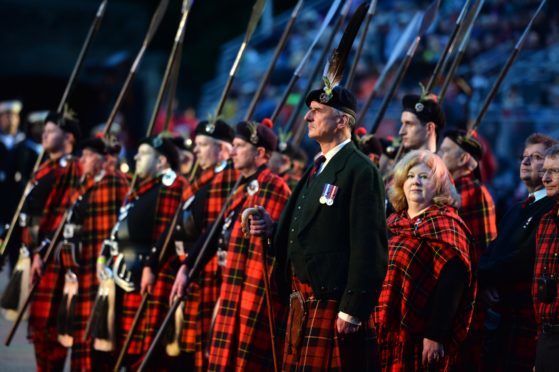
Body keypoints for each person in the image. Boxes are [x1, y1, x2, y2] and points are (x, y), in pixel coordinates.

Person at [250, 85, 388, 370]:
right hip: (303, 301)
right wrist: (272, 228)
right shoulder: (318, 167)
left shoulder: (360, 170)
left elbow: (369, 246)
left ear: (341, 121)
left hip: (333, 301)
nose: (307, 118)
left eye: (317, 111)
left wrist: (352, 308)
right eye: (309, 111)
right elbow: (308, 230)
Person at [172, 120, 291, 370]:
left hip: (254, 295)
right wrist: (187, 267)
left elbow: (276, 252)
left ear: (260, 153)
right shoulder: (241, 187)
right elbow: (215, 232)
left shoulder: (275, 186)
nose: (233, 151)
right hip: (230, 288)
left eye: (238, 146)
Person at [375, 149, 474, 371]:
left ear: (438, 186)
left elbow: (452, 287)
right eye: (410, 176)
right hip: (382, 330)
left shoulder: (448, 225)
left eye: (424, 177)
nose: (415, 182)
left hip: (419, 338)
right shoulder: (393, 223)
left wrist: (435, 335)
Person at [95, 135, 185, 370]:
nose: (135, 157)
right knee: (123, 348)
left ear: (161, 161)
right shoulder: (143, 188)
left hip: (145, 278)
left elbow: (165, 236)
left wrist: (151, 267)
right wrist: (102, 257)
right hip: (124, 274)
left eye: (143, 153)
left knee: (142, 354)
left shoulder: (170, 186)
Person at [152, 119, 235, 370]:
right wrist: (154, 262)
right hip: (190, 270)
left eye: (202, 145)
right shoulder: (201, 179)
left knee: (202, 354)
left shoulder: (226, 179)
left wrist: (190, 267)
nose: (196, 150)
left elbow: (212, 232)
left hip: (207, 274)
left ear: (222, 150)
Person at [478, 133, 558, 370]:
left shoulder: (550, 209)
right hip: (502, 315)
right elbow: (493, 249)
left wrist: (482, 276)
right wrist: (484, 280)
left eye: (535, 157)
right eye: (524, 156)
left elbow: (524, 257)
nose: (525, 162)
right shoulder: (517, 209)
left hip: (527, 318)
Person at [53, 137, 129, 371]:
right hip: (78, 270)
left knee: (99, 342)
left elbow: (120, 229)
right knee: (79, 338)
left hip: (100, 272)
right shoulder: (83, 183)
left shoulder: (114, 182)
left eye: (87, 155)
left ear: (101, 159)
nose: (82, 160)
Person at [24, 111, 82, 371]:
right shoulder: (44, 166)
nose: (44, 134)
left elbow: (64, 213)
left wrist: (44, 248)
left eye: (51, 130)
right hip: (34, 252)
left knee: (50, 326)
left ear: (68, 137)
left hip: (52, 256)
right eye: (44, 130)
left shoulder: (71, 167)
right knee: (37, 328)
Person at [438, 129, 498, 369]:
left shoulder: (475, 193)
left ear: (463, 159)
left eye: (444, 151)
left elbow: (484, 249)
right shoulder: (450, 190)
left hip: (464, 299)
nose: (438, 155)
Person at [532, 144, 559, 371]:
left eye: (555, 171)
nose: (546, 178)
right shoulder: (546, 221)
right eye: (545, 171)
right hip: (546, 336)